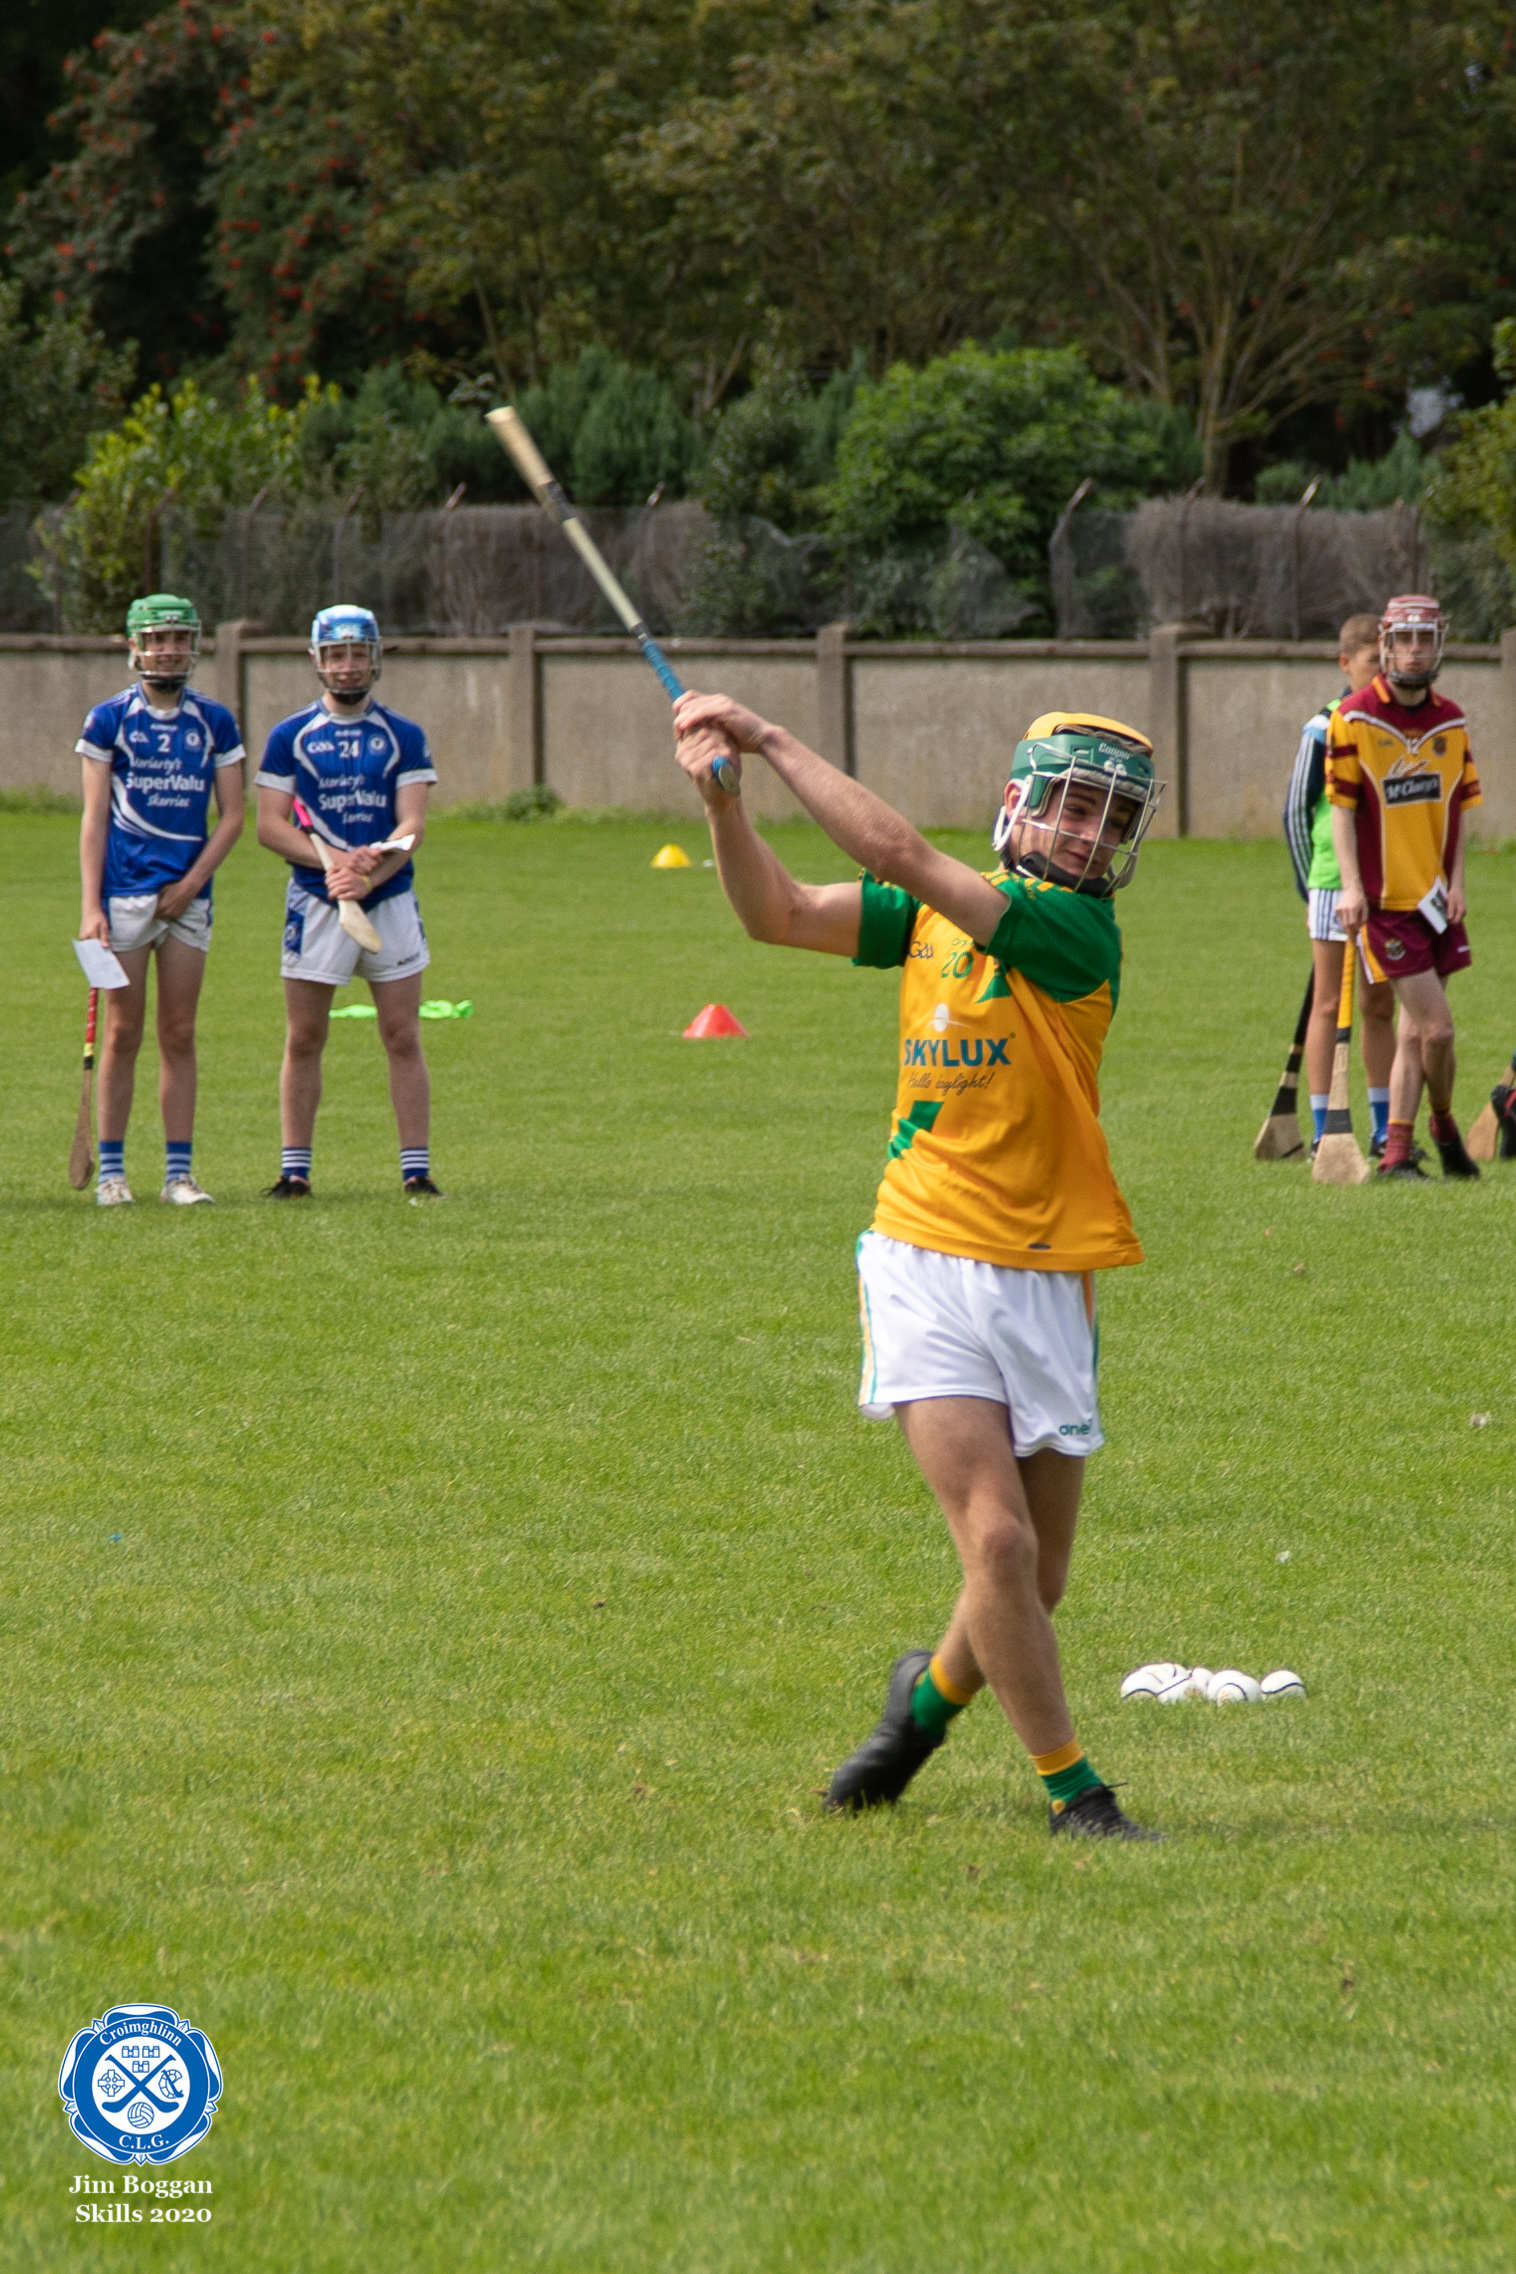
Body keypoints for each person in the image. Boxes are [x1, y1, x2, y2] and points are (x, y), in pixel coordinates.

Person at [673, 688, 1165, 1841]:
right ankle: (1076, 1796)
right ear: (1017, 806)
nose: (1090, 835)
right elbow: (779, 913)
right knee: (995, 1542)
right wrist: (725, 806)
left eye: (1110, 819)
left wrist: (771, 736)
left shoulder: (1075, 934)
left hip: (1047, 1273)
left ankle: (921, 1709)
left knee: (1034, 1581)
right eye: (1073, 807)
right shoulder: (930, 916)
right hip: (922, 1253)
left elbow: (896, 849)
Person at [254, 605, 442, 1199]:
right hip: (316, 904)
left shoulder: (404, 735)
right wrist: (334, 865)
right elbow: (270, 826)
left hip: (389, 899)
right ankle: (294, 1172)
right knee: (304, 1037)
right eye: (336, 655)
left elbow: (411, 826)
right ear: (317, 660)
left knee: (402, 1034)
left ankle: (416, 1172)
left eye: (359, 653)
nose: (348, 665)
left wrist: (371, 875)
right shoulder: (290, 737)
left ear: (375, 658)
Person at [76, 592, 245, 1206]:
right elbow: (95, 819)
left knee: (179, 1031)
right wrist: (91, 907)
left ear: (192, 646)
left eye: (178, 639)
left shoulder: (215, 722)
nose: (169, 650)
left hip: (187, 899)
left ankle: (179, 1175)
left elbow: (233, 816)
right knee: (123, 1033)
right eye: (157, 640)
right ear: (136, 647)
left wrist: (192, 883)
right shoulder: (108, 720)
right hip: (124, 896)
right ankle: (113, 1174)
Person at [1328, 593, 1481, 1180]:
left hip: (1437, 903)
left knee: (1417, 1030)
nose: (1414, 652)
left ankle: (1397, 1152)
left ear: (1438, 645)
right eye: (1404, 640)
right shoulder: (1355, 719)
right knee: (1438, 1029)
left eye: (1425, 640)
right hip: (1386, 905)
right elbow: (1341, 809)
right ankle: (1442, 1126)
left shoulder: (1452, 720)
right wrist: (1350, 887)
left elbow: (1459, 808)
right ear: (1386, 645)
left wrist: (1458, 882)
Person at [1282, 613, 1396, 1155]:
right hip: (1331, 882)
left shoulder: (1394, 725)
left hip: (1387, 886)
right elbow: (1294, 812)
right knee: (1328, 1004)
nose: (1383, 674)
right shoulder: (1323, 726)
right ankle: (1325, 1127)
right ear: (1345, 663)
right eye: (1374, 662)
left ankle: (1383, 1126)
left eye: (1387, 663)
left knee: (1379, 1005)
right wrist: (1312, 888)